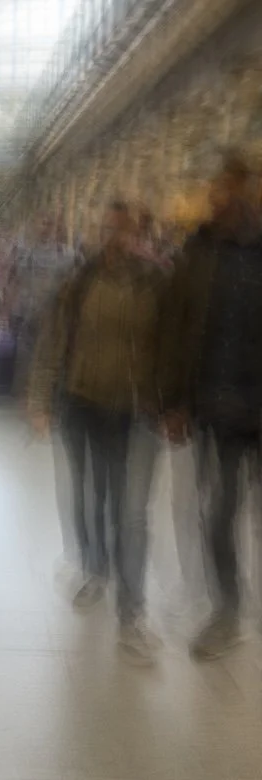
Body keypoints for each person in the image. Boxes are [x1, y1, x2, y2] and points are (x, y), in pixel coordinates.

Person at [28, 201, 170, 664]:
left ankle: (133, 615)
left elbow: (179, 343)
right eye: (109, 229)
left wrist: (175, 401)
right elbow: (54, 338)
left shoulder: (159, 283)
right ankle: (94, 567)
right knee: (91, 494)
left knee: (131, 512)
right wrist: (40, 397)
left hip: (138, 411)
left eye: (128, 231)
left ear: (144, 235)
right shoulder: (78, 280)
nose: (116, 239)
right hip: (82, 402)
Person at [160, 153, 262, 661]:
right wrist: (174, 402)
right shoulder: (197, 252)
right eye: (219, 187)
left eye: (234, 186)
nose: (223, 196)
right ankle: (227, 609)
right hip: (218, 410)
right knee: (218, 514)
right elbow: (175, 329)